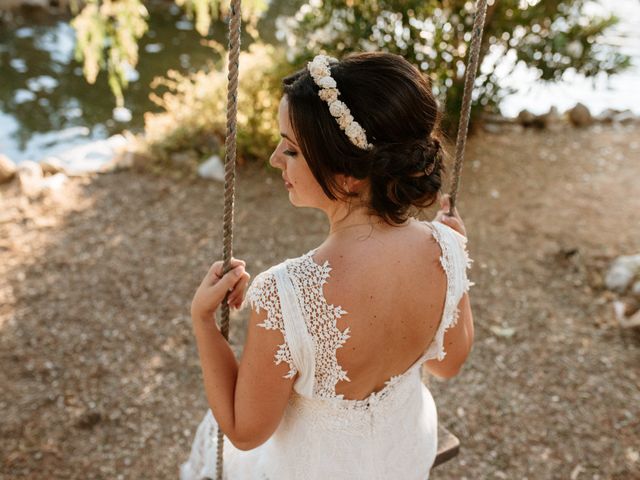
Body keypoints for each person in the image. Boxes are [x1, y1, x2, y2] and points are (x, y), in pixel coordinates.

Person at [180, 51, 475, 480]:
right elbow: (446, 365)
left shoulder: (286, 293)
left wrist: (204, 321)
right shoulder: (447, 247)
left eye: (293, 149)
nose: (275, 159)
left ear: (347, 176)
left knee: (220, 438)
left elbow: (245, 432)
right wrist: (453, 250)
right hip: (403, 454)